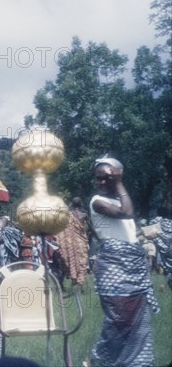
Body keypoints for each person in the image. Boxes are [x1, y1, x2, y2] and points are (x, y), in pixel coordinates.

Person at [89, 156, 159, 367]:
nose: (101, 183)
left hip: (134, 269)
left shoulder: (120, 200)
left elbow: (130, 228)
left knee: (138, 321)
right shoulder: (96, 201)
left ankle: (136, 363)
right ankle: (98, 360)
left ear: (119, 176)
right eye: (98, 178)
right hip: (113, 268)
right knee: (118, 319)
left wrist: (145, 232)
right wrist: (118, 182)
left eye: (106, 178)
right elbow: (127, 213)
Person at [56, 197, 94, 290]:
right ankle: (80, 285)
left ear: (72, 205)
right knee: (82, 261)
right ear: (81, 204)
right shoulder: (84, 215)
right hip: (80, 241)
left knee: (71, 259)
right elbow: (91, 227)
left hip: (69, 242)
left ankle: (74, 279)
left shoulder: (67, 216)